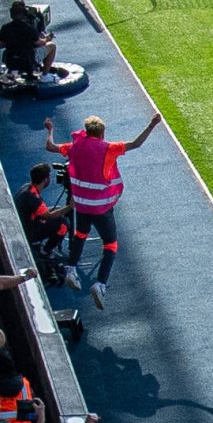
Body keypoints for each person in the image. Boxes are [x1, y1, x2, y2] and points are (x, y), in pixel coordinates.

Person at [42, 113, 164, 310]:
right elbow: (136, 144)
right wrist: (152, 124)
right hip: (101, 206)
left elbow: (50, 146)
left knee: (80, 234)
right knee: (111, 245)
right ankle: (100, 284)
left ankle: (71, 269)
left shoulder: (74, 147)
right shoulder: (108, 149)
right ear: (102, 132)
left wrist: (50, 130)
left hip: (81, 204)